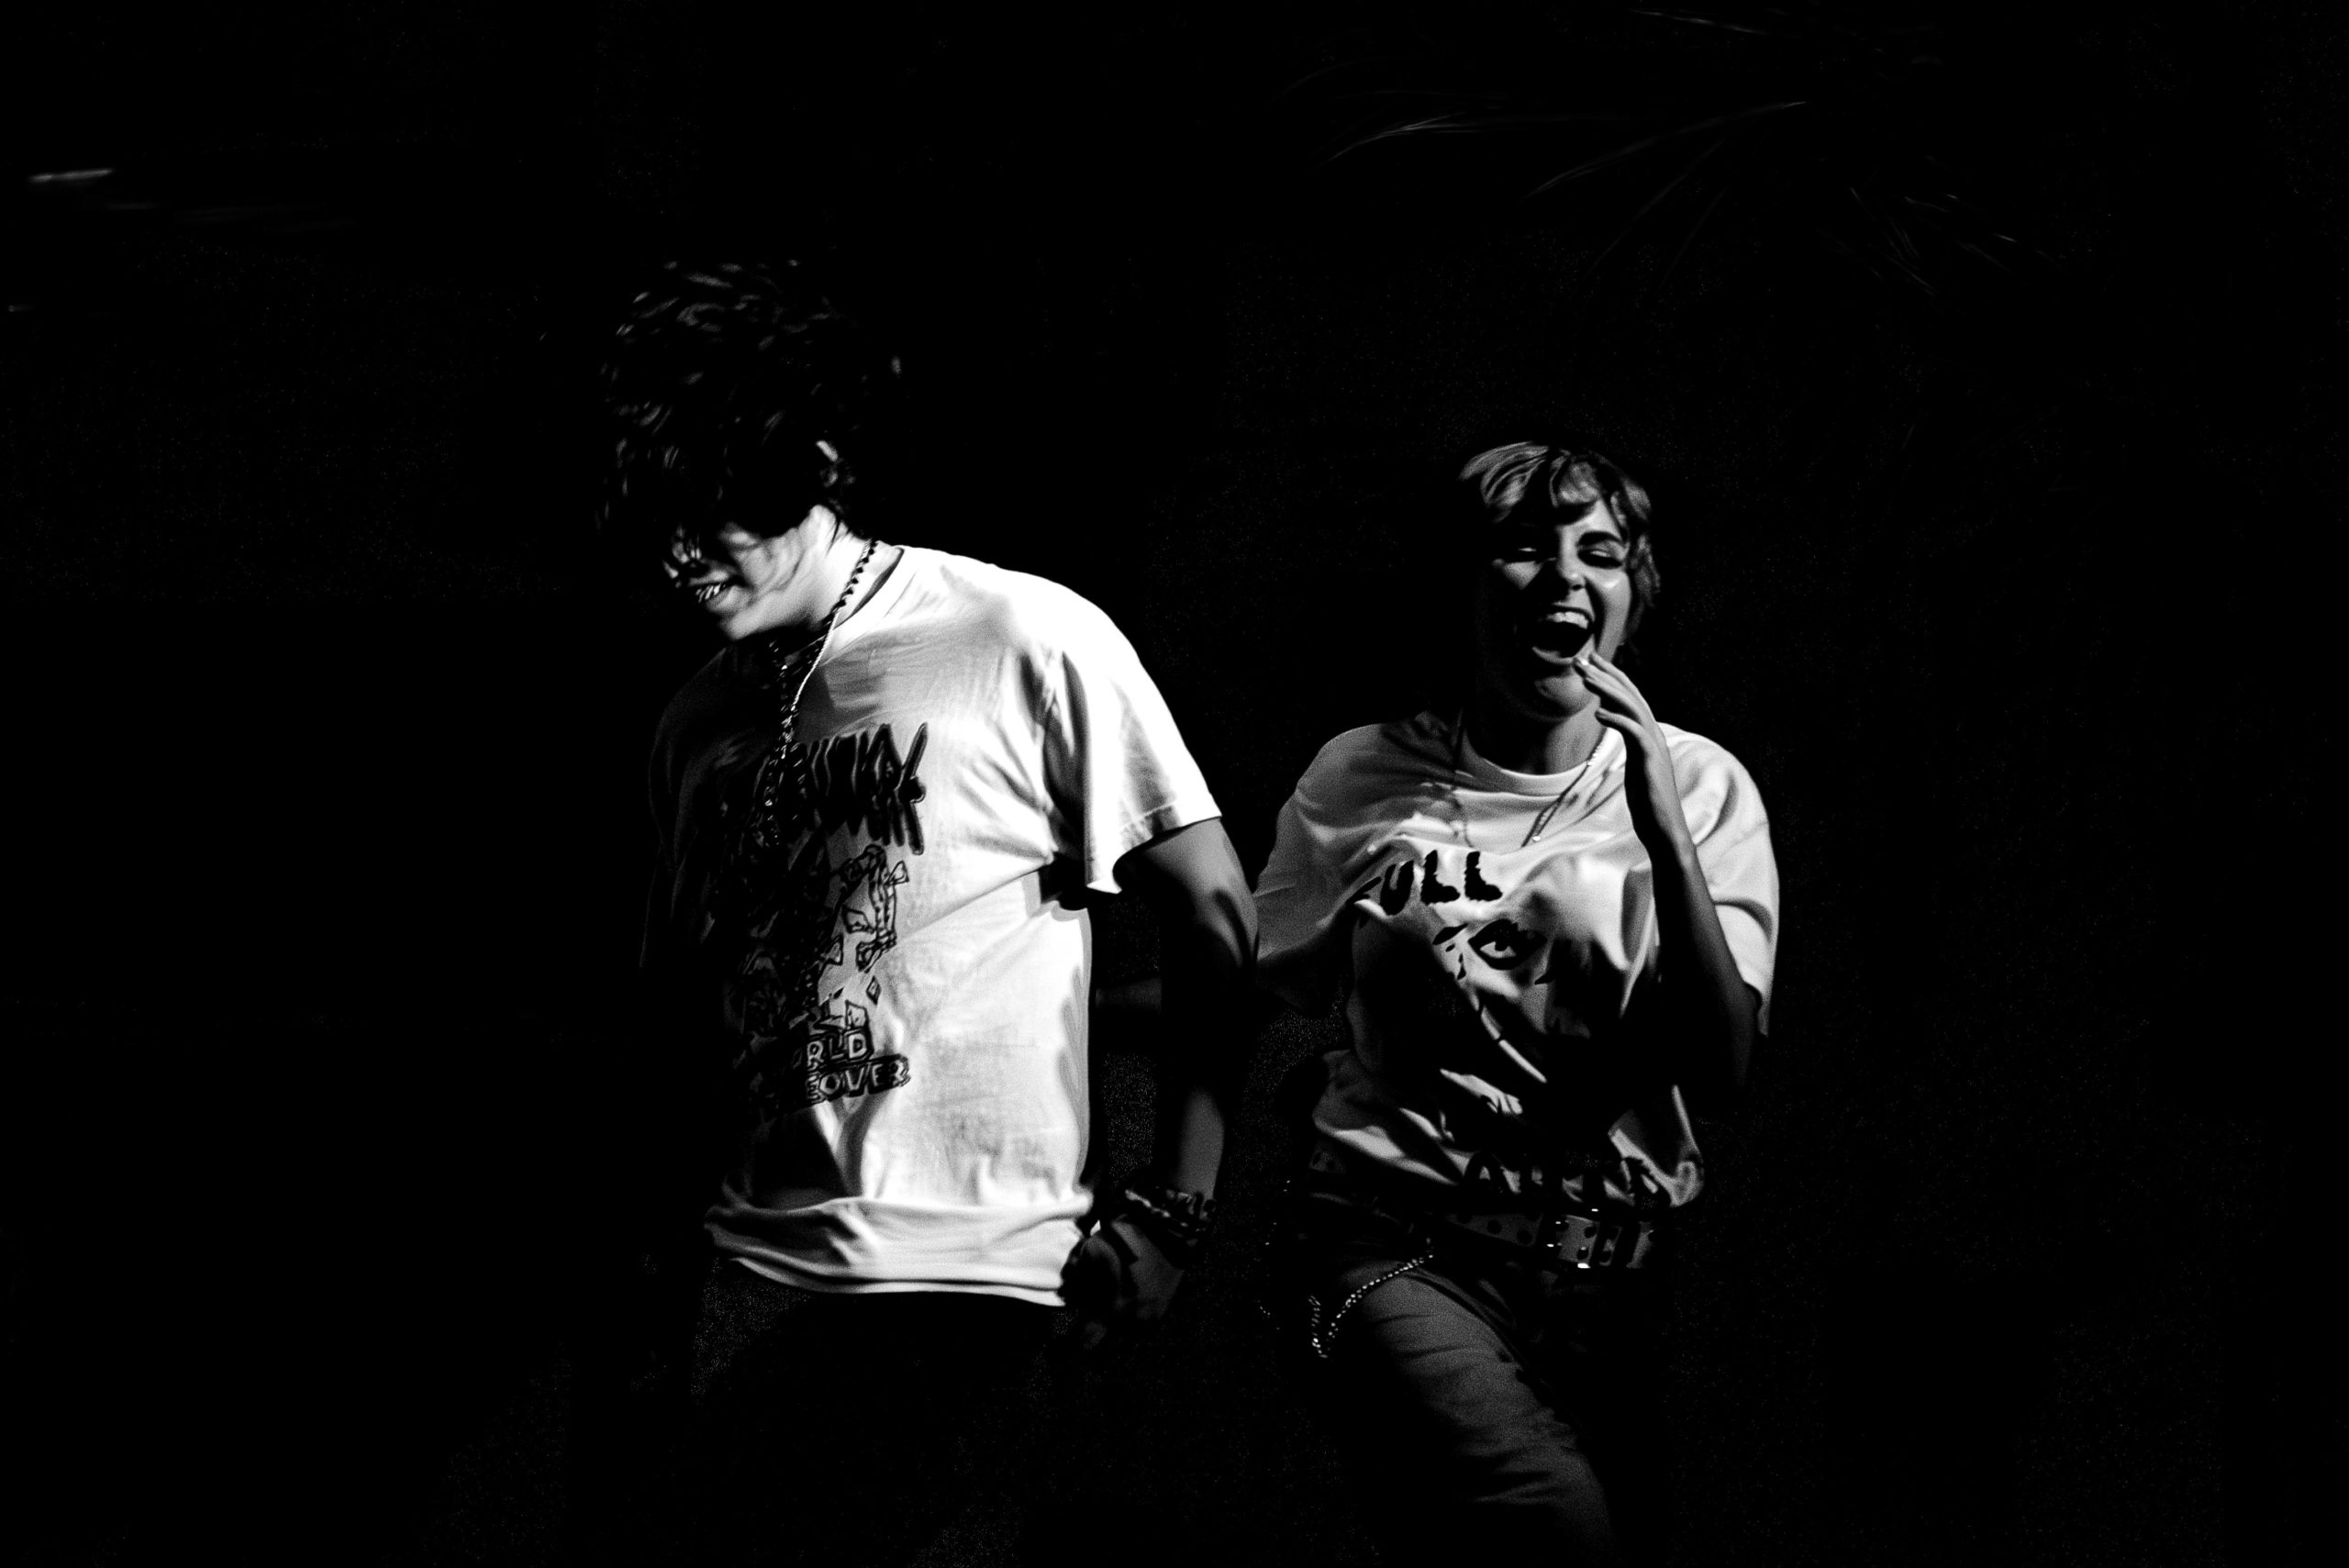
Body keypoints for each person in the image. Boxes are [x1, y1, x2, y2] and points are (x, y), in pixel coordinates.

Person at [583, 261, 1255, 1565]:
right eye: (652, 521)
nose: (678, 554)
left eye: (709, 514)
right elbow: (672, 1026)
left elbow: (1216, 912)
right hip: (749, 1276)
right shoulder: (696, 721)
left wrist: (1177, 1208)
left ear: (814, 468)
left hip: (972, 1276)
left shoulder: (1015, 633)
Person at [1254, 439, 1779, 1565]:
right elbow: (1256, 988)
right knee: (1550, 1526)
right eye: (1524, 546)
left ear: (1632, 594)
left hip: (1613, 1288)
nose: (1564, 574)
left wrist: (1661, 825)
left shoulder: (1702, 785)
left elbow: (1721, 1067)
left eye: (1601, 551)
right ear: (1463, 580)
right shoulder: (1361, 774)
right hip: (1391, 1245)